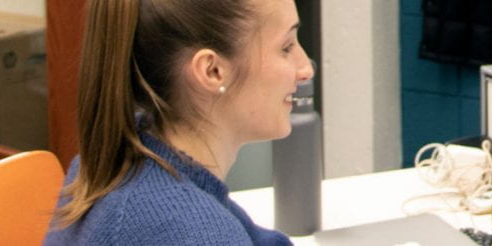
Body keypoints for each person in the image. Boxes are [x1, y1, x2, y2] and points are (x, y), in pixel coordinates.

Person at [44, 0, 313, 244]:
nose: (305, 69)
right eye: (286, 47)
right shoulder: (196, 232)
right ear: (212, 71)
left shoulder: (119, 157)